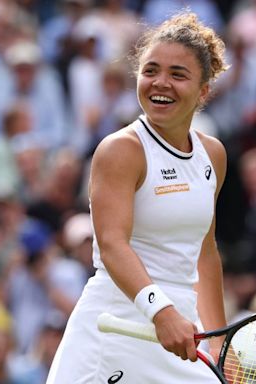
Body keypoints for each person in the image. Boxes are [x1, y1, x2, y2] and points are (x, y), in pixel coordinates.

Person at [47, 11, 229, 383]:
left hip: (179, 329)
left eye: (178, 74)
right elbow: (112, 245)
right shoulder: (120, 150)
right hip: (115, 329)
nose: (160, 83)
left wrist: (220, 342)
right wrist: (161, 312)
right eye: (151, 70)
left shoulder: (213, 155)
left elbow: (205, 253)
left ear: (204, 90)